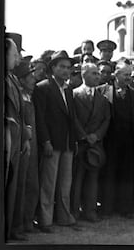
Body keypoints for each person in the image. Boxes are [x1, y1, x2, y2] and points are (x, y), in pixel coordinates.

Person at [33, 50, 80, 233]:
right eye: (61, 67)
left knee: (65, 183)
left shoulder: (68, 89)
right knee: (48, 183)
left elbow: (72, 118)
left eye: (68, 67)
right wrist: (45, 141)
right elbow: (41, 118)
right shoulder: (43, 87)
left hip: (67, 142)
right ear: (52, 68)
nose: (66, 71)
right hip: (52, 142)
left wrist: (74, 140)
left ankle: (64, 217)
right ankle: (45, 220)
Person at [98, 61, 134, 218]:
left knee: (126, 175)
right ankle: (107, 208)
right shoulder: (102, 91)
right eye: (125, 75)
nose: (128, 78)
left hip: (129, 142)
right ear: (115, 75)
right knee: (109, 175)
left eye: (130, 75)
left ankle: (125, 208)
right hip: (109, 142)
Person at [71, 63, 111, 223]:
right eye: (93, 73)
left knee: (93, 179)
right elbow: (72, 117)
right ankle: (74, 211)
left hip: (95, 145)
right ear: (83, 75)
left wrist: (97, 135)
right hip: (80, 143)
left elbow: (106, 119)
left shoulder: (102, 98)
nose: (97, 76)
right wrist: (84, 135)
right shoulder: (74, 95)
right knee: (77, 178)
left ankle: (90, 210)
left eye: (98, 73)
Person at [5, 36, 29, 240]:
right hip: (7, 140)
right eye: (14, 54)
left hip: (16, 140)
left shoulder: (11, 77)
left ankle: (11, 227)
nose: (17, 58)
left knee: (14, 187)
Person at [13, 58, 39, 234]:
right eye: (30, 76)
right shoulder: (19, 98)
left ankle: (27, 221)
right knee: (21, 186)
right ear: (22, 79)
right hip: (23, 147)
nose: (34, 80)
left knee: (31, 185)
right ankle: (18, 225)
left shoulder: (29, 96)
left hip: (33, 148)